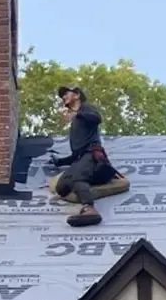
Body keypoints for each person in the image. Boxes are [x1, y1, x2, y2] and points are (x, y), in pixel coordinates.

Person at [49, 86, 125, 227]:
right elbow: (76, 154)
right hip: (81, 159)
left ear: (77, 95)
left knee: (78, 177)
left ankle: (90, 209)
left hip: (92, 155)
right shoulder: (76, 122)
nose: (63, 97)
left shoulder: (86, 109)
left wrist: (77, 114)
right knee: (62, 187)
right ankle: (86, 186)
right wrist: (59, 162)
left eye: (66, 93)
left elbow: (97, 118)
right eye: (62, 96)